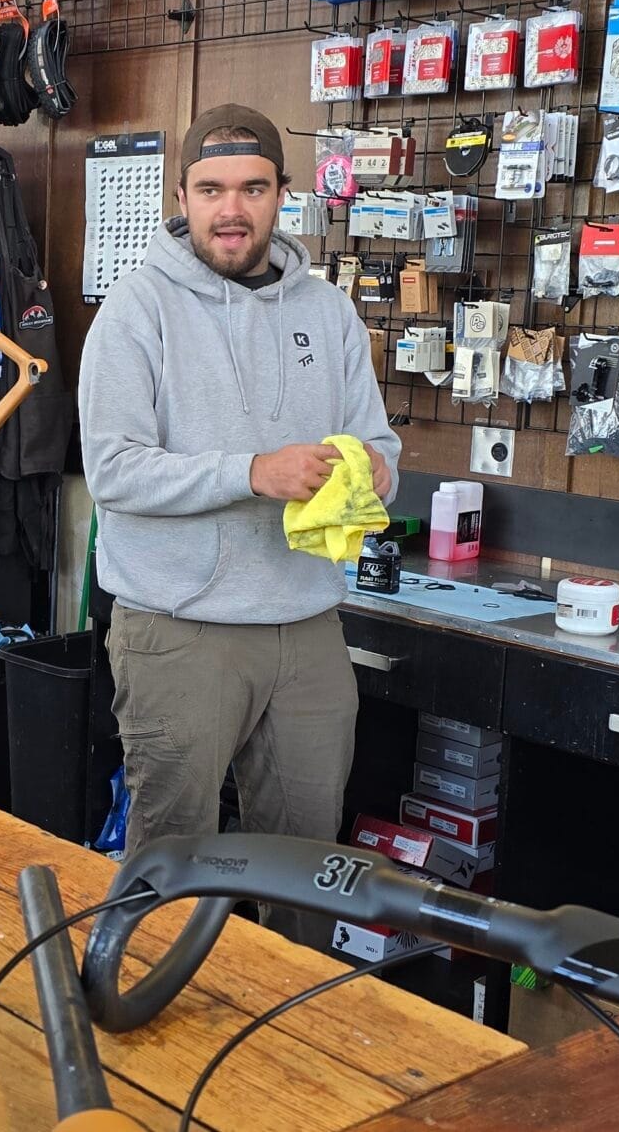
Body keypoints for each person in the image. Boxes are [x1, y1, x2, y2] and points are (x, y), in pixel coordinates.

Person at [78, 104, 402, 905]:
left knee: (309, 870)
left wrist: (373, 473)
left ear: (282, 194)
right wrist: (254, 472)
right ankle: (138, 1016)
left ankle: (282, 1028)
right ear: (181, 195)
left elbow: (380, 444)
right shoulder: (136, 309)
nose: (232, 209)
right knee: (170, 861)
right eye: (212, 189)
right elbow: (113, 470)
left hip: (307, 628)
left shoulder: (327, 312)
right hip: (180, 631)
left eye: (253, 188)